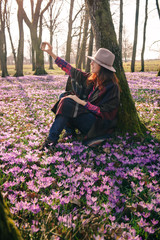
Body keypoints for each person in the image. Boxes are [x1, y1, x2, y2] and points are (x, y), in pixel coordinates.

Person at [40, 42, 120, 150]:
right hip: (86, 118)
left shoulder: (111, 87)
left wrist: (82, 103)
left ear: (102, 67)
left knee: (67, 102)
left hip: (96, 126)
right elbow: (70, 69)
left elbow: (105, 113)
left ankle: (50, 141)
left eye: (94, 62)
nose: (91, 63)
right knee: (63, 96)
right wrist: (51, 53)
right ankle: (70, 132)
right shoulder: (92, 79)